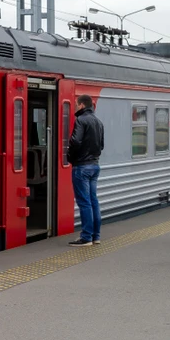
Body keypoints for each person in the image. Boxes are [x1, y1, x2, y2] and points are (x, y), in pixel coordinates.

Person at [67, 94, 105, 247]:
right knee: (93, 200)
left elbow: (75, 141)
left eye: (77, 104)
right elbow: (101, 145)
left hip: (81, 166)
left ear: (82, 105)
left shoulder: (81, 120)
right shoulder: (98, 122)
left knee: (84, 202)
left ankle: (86, 237)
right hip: (95, 165)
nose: (76, 107)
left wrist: (70, 157)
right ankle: (95, 236)